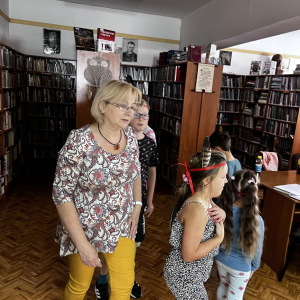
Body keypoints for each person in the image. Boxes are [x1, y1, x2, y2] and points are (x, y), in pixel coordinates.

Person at [52, 80, 142, 300]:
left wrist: (137, 206)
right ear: (102, 105)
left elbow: (136, 173)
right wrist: (82, 245)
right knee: (79, 285)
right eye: (123, 105)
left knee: (124, 285)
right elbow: (61, 194)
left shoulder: (130, 137)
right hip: (84, 227)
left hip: (122, 224)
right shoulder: (79, 141)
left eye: (133, 106)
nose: (129, 112)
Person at [95, 98, 159, 299]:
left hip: (136, 203)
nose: (141, 118)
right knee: (110, 242)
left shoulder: (149, 142)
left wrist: (148, 201)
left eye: (145, 115)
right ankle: (103, 280)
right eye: (136, 113)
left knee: (131, 243)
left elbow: (150, 173)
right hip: (115, 202)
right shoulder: (117, 137)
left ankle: (126, 279)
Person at [164, 139, 228, 300]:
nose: (226, 181)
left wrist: (222, 214)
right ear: (207, 180)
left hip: (193, 275)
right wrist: (219, 238)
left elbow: (210, 218)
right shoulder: (197, 210)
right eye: (223, 177)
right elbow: (188, 255)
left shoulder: (207, 199)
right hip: (183, 277)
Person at [215, 169, 265, 300]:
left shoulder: (221, 211)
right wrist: (254, 267)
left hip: (220, 259)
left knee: (222, 286)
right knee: (235, 296)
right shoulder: (257, 220)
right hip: (241, 267)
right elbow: (257, 250)